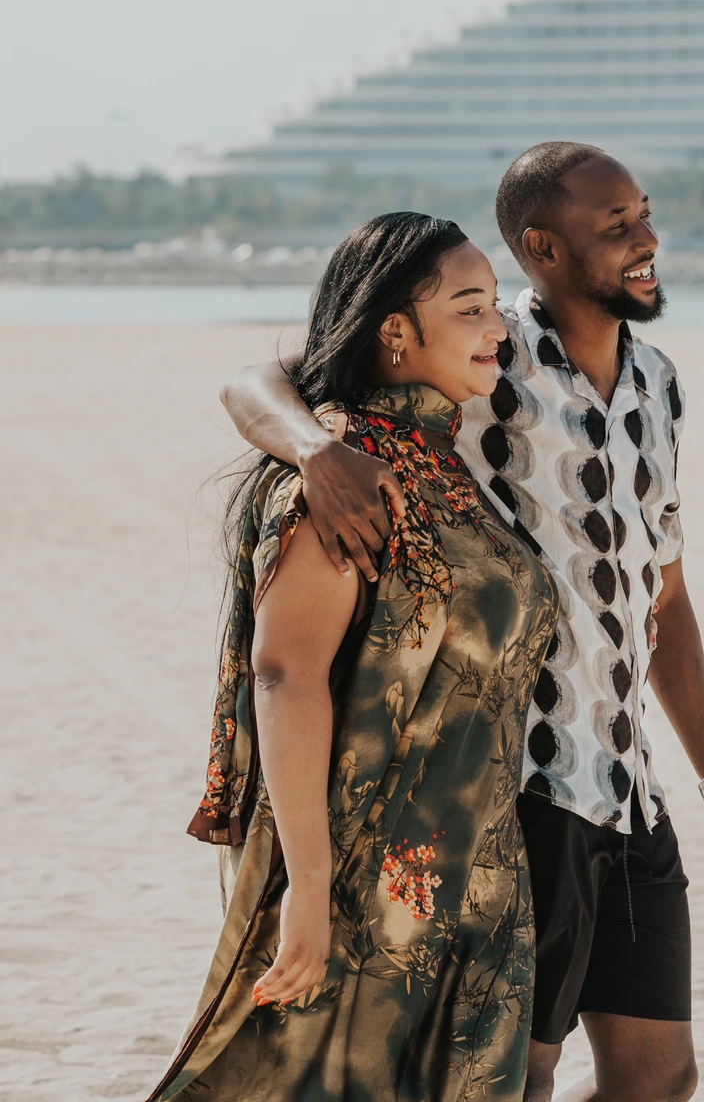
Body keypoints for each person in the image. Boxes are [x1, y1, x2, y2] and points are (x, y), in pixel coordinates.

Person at [221, 143, 704, 1102]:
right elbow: (260, 381)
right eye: (617, 227)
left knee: (661, 1078)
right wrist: (317, 450)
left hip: (629, 788)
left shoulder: (660, 384)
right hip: (524, 788)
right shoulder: (485, 351)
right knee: (513, 1076)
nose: (648, 241)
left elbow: (665, 599)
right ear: (543, 248)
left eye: (645, 215)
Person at [148, 212, 558, 1102]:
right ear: (396, 333)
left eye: (496, 306)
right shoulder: (347, 472)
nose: (499, 329)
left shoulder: (442, 461)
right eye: (471, 308)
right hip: (361, 883)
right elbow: (285, 673)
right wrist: (306, 887)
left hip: (476, 880)